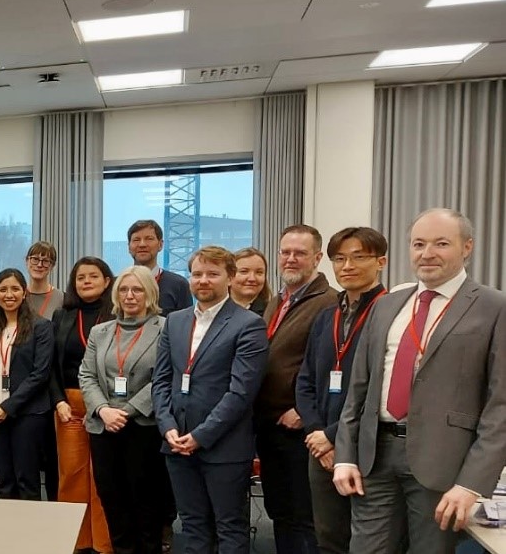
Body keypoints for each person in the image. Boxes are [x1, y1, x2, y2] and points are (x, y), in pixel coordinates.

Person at [333, 209, 506, 554]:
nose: (427, 253)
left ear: (467, 247)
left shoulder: (494, 306)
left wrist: (472, 484)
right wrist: (345, 456)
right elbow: (359, 390)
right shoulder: (388, 305)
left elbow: (500, 405)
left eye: (441, 243)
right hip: (374, 458)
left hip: (444, 464)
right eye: (418, 244)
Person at [151, 246, 268, 554]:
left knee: (229, 527)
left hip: (224, 446)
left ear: (230, 278)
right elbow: (162, 380)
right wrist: (166, 426)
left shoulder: (248, 324)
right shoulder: (174, 321)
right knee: (191, 525)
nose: (203, 280)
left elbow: (241, 392)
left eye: (212, 274)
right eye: (197, 274)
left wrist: (201, 436)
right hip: (176, 443)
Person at [294, 227, 388, 554]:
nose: (347, 265)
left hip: (369, 446)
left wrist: (334, 436)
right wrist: (317, 433)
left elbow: (382, 387)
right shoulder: (326, 317)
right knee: (328, 537)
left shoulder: (391, 315)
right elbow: (305, 380)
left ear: (381, 262)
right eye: (339, 258)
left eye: (358, 257)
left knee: (369, 541)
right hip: (320, 447)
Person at [81, 266, 173, 554]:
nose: (130, 296)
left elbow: (165, 376)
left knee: (145, 503)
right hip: (103, 427)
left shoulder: (167, 328)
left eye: (137, 290)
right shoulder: (100, 331)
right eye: (124, 290)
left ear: (150, 294)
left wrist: (129, 410)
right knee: (112, 500)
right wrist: (103, 410)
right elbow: (87, 375)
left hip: (142, 428)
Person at [257, 225, 338, 554]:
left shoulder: (329, 302)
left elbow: (330, 367)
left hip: (300, 427)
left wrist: (305, 413)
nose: (290, 259)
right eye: (285, 252)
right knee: (280, 512)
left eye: (300, 253)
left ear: (317, 258)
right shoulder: (278, 300)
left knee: (304, 516)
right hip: (270, 423)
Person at [50, 256, 116, 552]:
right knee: (72, 474)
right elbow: (48, 365)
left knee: (102, 476)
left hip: (108, 406)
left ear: (107, 281)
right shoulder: (62, 316)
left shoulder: (117, 314)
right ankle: (76, 541)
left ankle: (104, 543)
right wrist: (58, 400)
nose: (86, 281)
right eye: (80, 277)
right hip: (70, 406)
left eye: (93, 276)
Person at [0, 268, 54, 501]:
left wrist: (7, 407)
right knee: (3, 477)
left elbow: (40, 374)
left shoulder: (41, 327)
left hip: (27, 414)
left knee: (26, 478)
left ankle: (30, 533)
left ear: (24, 292)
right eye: (3, 289)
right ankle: (6, 531)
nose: (9, 294)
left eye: (15, 289)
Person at [127, 220, 192, 314]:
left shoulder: (178, 285)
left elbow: (186, 324)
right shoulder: (116, 285)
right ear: (129, 247)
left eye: (149, 239)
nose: (142, 244)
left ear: (160, 245)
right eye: (136, 240)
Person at [25, 241, 65, 317]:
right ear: (27, 261)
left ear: (52, 266)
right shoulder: (18, 296)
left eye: (46, 261)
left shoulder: (62, 299)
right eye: (35, 259)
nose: (39, 265)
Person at [230, 247, 272, 315]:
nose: (252, 278)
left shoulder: (272, 312)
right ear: (229, 276)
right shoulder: (214, 308)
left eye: (259, 272)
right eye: (244, 271)